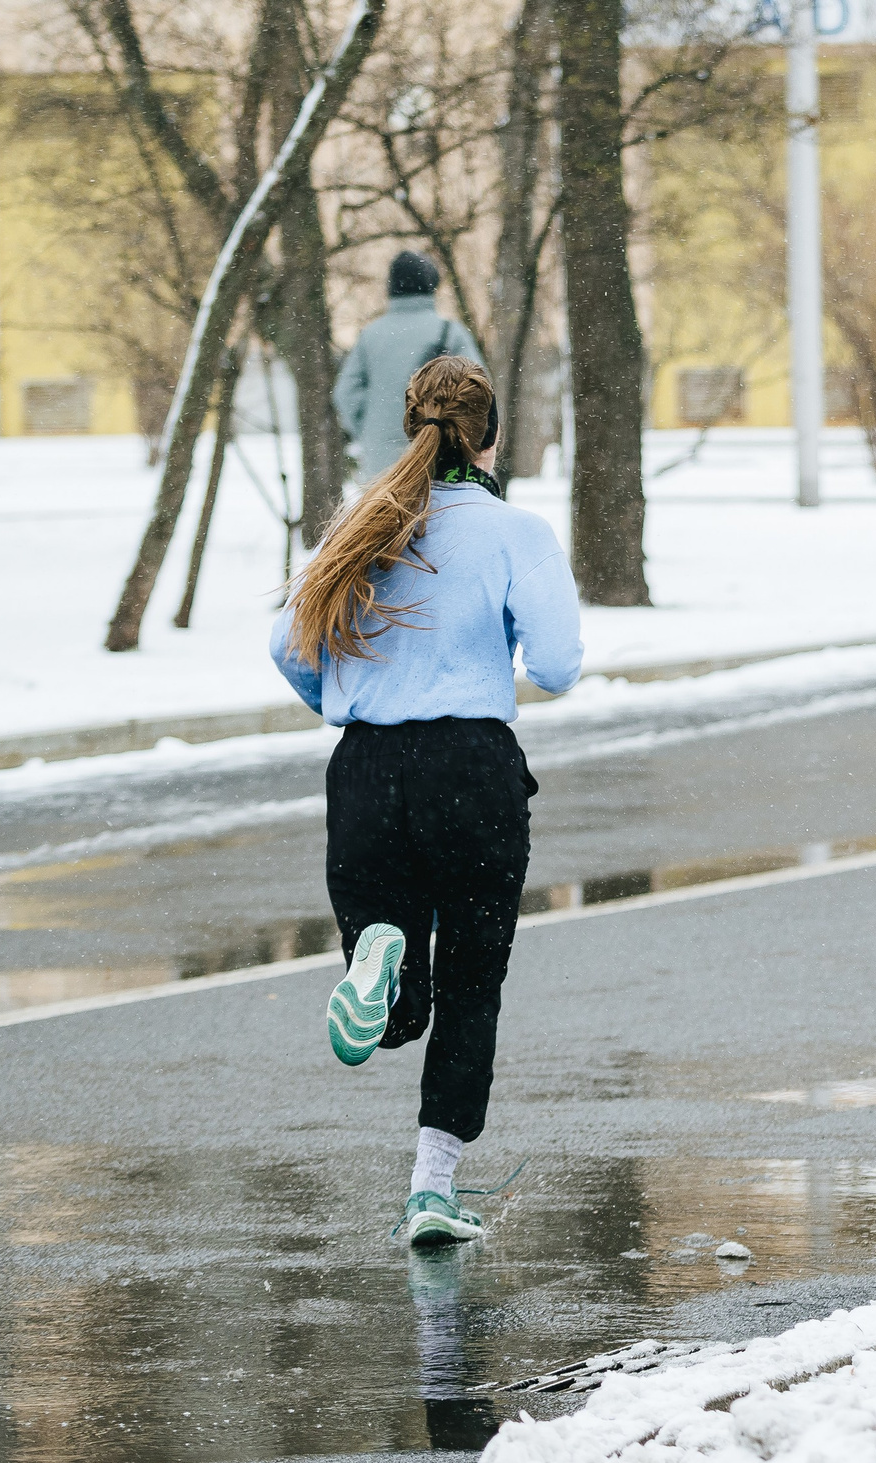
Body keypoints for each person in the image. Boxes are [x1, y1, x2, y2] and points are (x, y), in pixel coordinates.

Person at [271, 355, 583, 1246]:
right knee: (472, 986)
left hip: (366, 769)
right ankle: (431, 1191)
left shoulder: (358, 530)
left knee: (402, 1003)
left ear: (409, 428)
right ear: (489, 436)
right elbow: (558, 664)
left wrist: (353, 706)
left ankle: (378, 961)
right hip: (472, 771)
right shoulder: (513, 531)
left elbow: (289, 650)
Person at [333, 250, 484, 480]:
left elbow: (345, 394)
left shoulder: (371, 335)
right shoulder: (449, 333)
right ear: (431, 284)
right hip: (439, 456)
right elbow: (479, 392)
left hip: (381, 461)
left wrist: (370, 431)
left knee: (385, 514)